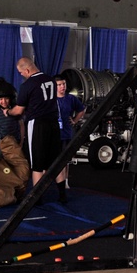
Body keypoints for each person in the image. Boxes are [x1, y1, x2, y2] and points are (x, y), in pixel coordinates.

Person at [5, 58, 61, 190]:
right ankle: (62, 194)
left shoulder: (27, 85)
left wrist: (8, 112)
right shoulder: (51, 80)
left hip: (38, 124)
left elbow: (19, 110)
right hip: (53, 123)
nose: (21, 75)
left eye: (21, 72)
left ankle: (37, 197)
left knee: (37, 163)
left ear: (27, 70)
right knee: (54, 161)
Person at [54, 75, 86, 203]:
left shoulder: (71, 99)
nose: (62, 87)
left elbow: (81, 110)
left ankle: (64, 182)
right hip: (53, 134)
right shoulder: (51, 100)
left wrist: (74, 120)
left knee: (65, 160)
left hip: (66, 133)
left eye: (64, 84)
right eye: (59, 85)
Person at [0, 77, 23, 156]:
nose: (4, 101)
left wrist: (21, 142)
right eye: (1, 99)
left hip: (14, 143)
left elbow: (21, 126)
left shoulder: (15, 110)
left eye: (6, 98)